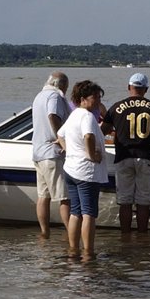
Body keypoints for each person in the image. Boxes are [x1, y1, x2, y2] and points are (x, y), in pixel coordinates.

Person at [101, 73, 150, 234]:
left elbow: (101, 132)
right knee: (143, 202)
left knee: (124, 202)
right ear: (145, 89)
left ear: (128, 87)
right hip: (146, 157)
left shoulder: (116, 107)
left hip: (123, 157)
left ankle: (125, 236)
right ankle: (142, 236)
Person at [57, 81, 108, 258]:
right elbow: (88, 136)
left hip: (71, 168)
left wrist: (69, 150)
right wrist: (92, 155)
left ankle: (74, 249)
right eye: (95, 97)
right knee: (88, 213)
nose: (98, 100)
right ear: (82, 99)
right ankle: (88, 251)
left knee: (75, 212)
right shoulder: (86, 116)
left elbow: (60, 134)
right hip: (86, 172)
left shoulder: (74, 115)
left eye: (99, 97)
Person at [31, 72, 72, 238]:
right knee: (64, 197)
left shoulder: (39, 96)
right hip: (52, 153)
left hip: (38, 152)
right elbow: (52, 115)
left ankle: (44, 233)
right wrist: (61, 139)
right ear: (61, 85)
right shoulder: (54, 97)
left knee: (43, 196)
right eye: (66, 87)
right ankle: (72, 234)